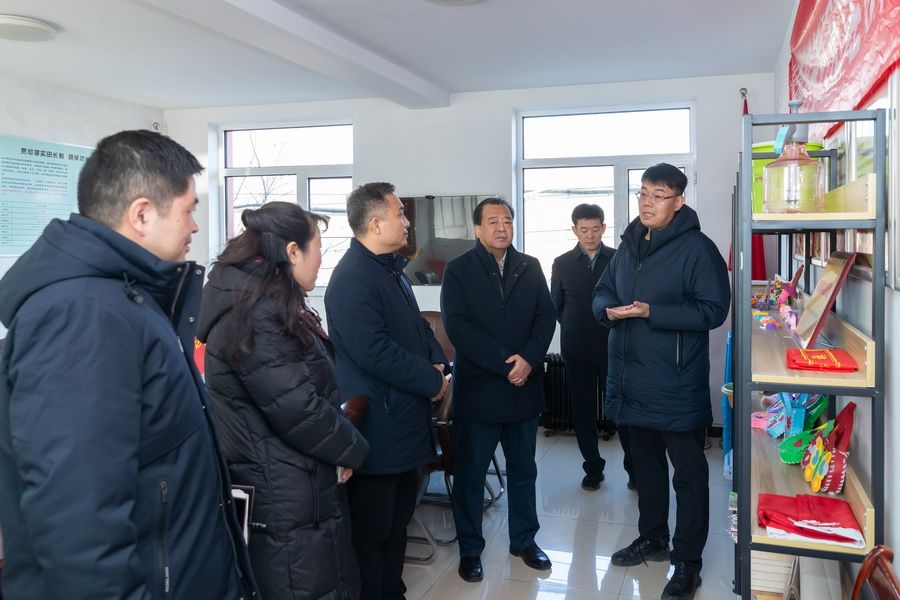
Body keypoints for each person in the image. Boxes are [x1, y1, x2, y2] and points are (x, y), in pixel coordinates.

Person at [0, 130, 257, 599]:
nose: (194, 226)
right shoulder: (82, 315)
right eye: (188, 210)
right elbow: (78, 514)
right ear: (141, 214)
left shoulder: (125, 298)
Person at [198, 201, 370, 599]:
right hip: (284, 492)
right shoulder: (256, 313)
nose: (321, 259)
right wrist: (352, 450)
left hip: (295, 480)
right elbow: (298, 408)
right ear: (293, 252)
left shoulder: (269, 301)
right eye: (318, 248)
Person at [592, 163, 730, 600]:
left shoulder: (697, 249)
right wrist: (605, 309)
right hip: (631, 381)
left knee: (688, 477)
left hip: (676, 384)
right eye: (643, 193)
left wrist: (653, 311)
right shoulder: (629, 244)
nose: (647, 203)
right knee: (646, 470)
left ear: (679, 201)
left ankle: (687, 561)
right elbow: (602, 290)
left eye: (659, 195)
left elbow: (714, 310)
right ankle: (653, 537)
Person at [324, 182, 449, 600]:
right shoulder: (352, 279)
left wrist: (438, 361)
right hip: (379, 427)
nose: (407, 221)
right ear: (376, 224)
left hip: (404, 423)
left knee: (397, 526)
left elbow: (419, 329)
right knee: (373, 533)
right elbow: (374, 352)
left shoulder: (391, 270)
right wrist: (431, 380)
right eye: (400, 213)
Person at [441, 197, 556, 583]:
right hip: (480, 392)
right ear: (477, 229)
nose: (502, 227)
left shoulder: (530, 265)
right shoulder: (459, 270)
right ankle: (470, 549)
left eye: (507, 220)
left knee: (524, 471)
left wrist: (529, 359)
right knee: (471, 476)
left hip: (524, 390)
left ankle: (524, 540)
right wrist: (508, 365)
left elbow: (546, 317)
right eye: (493, 221)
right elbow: (458, 327)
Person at [550, 203, 635, 491]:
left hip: (613, 348)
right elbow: (557, 306)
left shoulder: (618, 258)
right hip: (576, 350)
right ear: (574, 230)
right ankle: (593, 469)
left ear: (603, 228)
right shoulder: (562, 263)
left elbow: (627, 299)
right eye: (584, 230)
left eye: (595, 229)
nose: (589, 235)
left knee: (621, 411)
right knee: (583, 412)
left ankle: (634, 470)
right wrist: (574, 324)